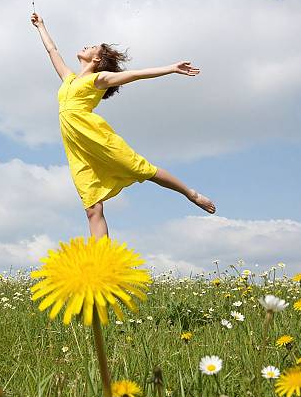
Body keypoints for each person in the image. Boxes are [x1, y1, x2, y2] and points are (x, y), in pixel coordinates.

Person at [31, 12, 216, 239]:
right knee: (92, 208)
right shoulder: (68, 78)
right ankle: (102, 267)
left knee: (142, 169)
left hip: (96, 136)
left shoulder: (99, 79)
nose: (86, 46)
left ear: (97, 60)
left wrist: (171, 68)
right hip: (77, 148)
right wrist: (41, 26)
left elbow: (135, 74)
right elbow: (53, 51)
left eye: (91, 47)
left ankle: (191, 194)